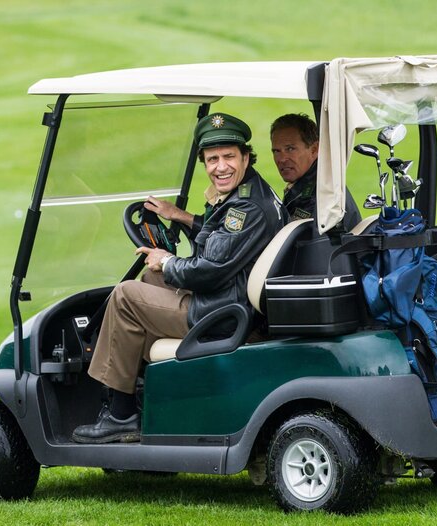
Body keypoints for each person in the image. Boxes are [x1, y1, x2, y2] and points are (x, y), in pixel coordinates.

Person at [72, 113, 287, 444]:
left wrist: (168, 261)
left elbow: (209, 269)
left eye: (229, 156)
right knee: (148, 280)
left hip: (220, 313)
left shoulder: (245, 208)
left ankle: (119, 414)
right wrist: (181, 217)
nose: (220, 167)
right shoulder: (250, 191)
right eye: (212, 159)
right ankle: (145, 389)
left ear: (245, 156)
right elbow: (225, 240)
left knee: (126, 295)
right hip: (231, 299)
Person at [270, 113, 360, 230]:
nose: (282, 159)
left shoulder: (319, 197)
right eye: (276, 151)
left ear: (314, 150)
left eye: (290, 149)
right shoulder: (313, 183)